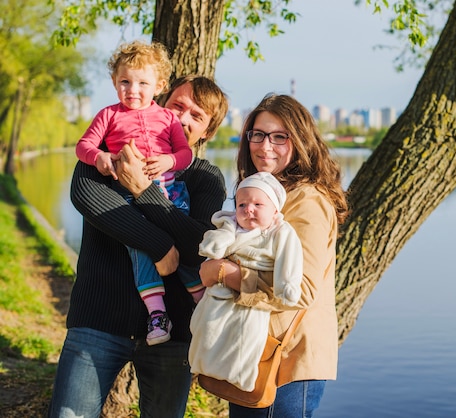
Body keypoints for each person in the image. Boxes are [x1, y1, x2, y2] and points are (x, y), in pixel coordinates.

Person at [47, 75, 229, 418]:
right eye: (178, 106)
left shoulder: (205, 177)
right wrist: (160, 246)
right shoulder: (114, 152)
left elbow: (201, 246)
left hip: (174, 334)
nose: (184, 118)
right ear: (161, 105)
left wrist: (142, 190)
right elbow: (85, 196)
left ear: (207, 132)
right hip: (97, 321)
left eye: (197, 116)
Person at [199, 93, 349, 418]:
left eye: (280, 137)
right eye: (258, 134)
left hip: (287, 360)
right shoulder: (260, 194)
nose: (265, 146)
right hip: (252, 350)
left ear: (300, 141)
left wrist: (223, 274)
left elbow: (302, 291)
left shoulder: (307, 201)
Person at [75, 40, 202, 345]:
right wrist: (100, 157)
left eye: (142, 83)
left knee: (183, 247)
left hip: (171, 194)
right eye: (125, 82)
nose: (133, 90)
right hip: (129, 198)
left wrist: (169, 159)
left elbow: (186, 154)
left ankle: (203, 301)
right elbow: (83, 146)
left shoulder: (169, 118)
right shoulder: (108, 115)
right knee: (140, 250)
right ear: (114, 82)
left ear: (159, 85)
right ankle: (157, 314)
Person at [189, 171, 303, 391]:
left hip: (251, 298)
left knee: (246, 338)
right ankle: (202, 363)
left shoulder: (279, 232)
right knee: (208, 329)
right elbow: (213, 244)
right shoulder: (230, 226)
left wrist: (286, 284)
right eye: (241, 205)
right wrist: (217, 243)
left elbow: (289, 258)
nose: (248, 209)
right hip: (219, 294)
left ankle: (240, 375)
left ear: (275, 210)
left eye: (258, 204)